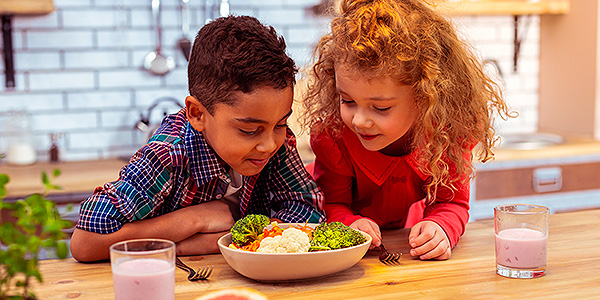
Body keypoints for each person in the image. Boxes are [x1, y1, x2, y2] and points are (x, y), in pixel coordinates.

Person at [70, 15, 325, 262]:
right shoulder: (167, 154)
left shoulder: (274, 139)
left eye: (281, 124)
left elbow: (308, 210)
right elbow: (85, 242)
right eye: (249, 131)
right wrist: (192, 220)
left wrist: (227, 240)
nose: (269, 144)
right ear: (197, 113)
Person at [300, 0, 513, 260]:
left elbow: (451, 202)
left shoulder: (445, 136)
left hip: (402, 236)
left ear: (425, 98)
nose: (359, 121)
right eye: (347, 101)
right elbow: (332, 203)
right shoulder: (334, 137)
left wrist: (440, 228)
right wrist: (348, 224)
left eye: (380, 108)